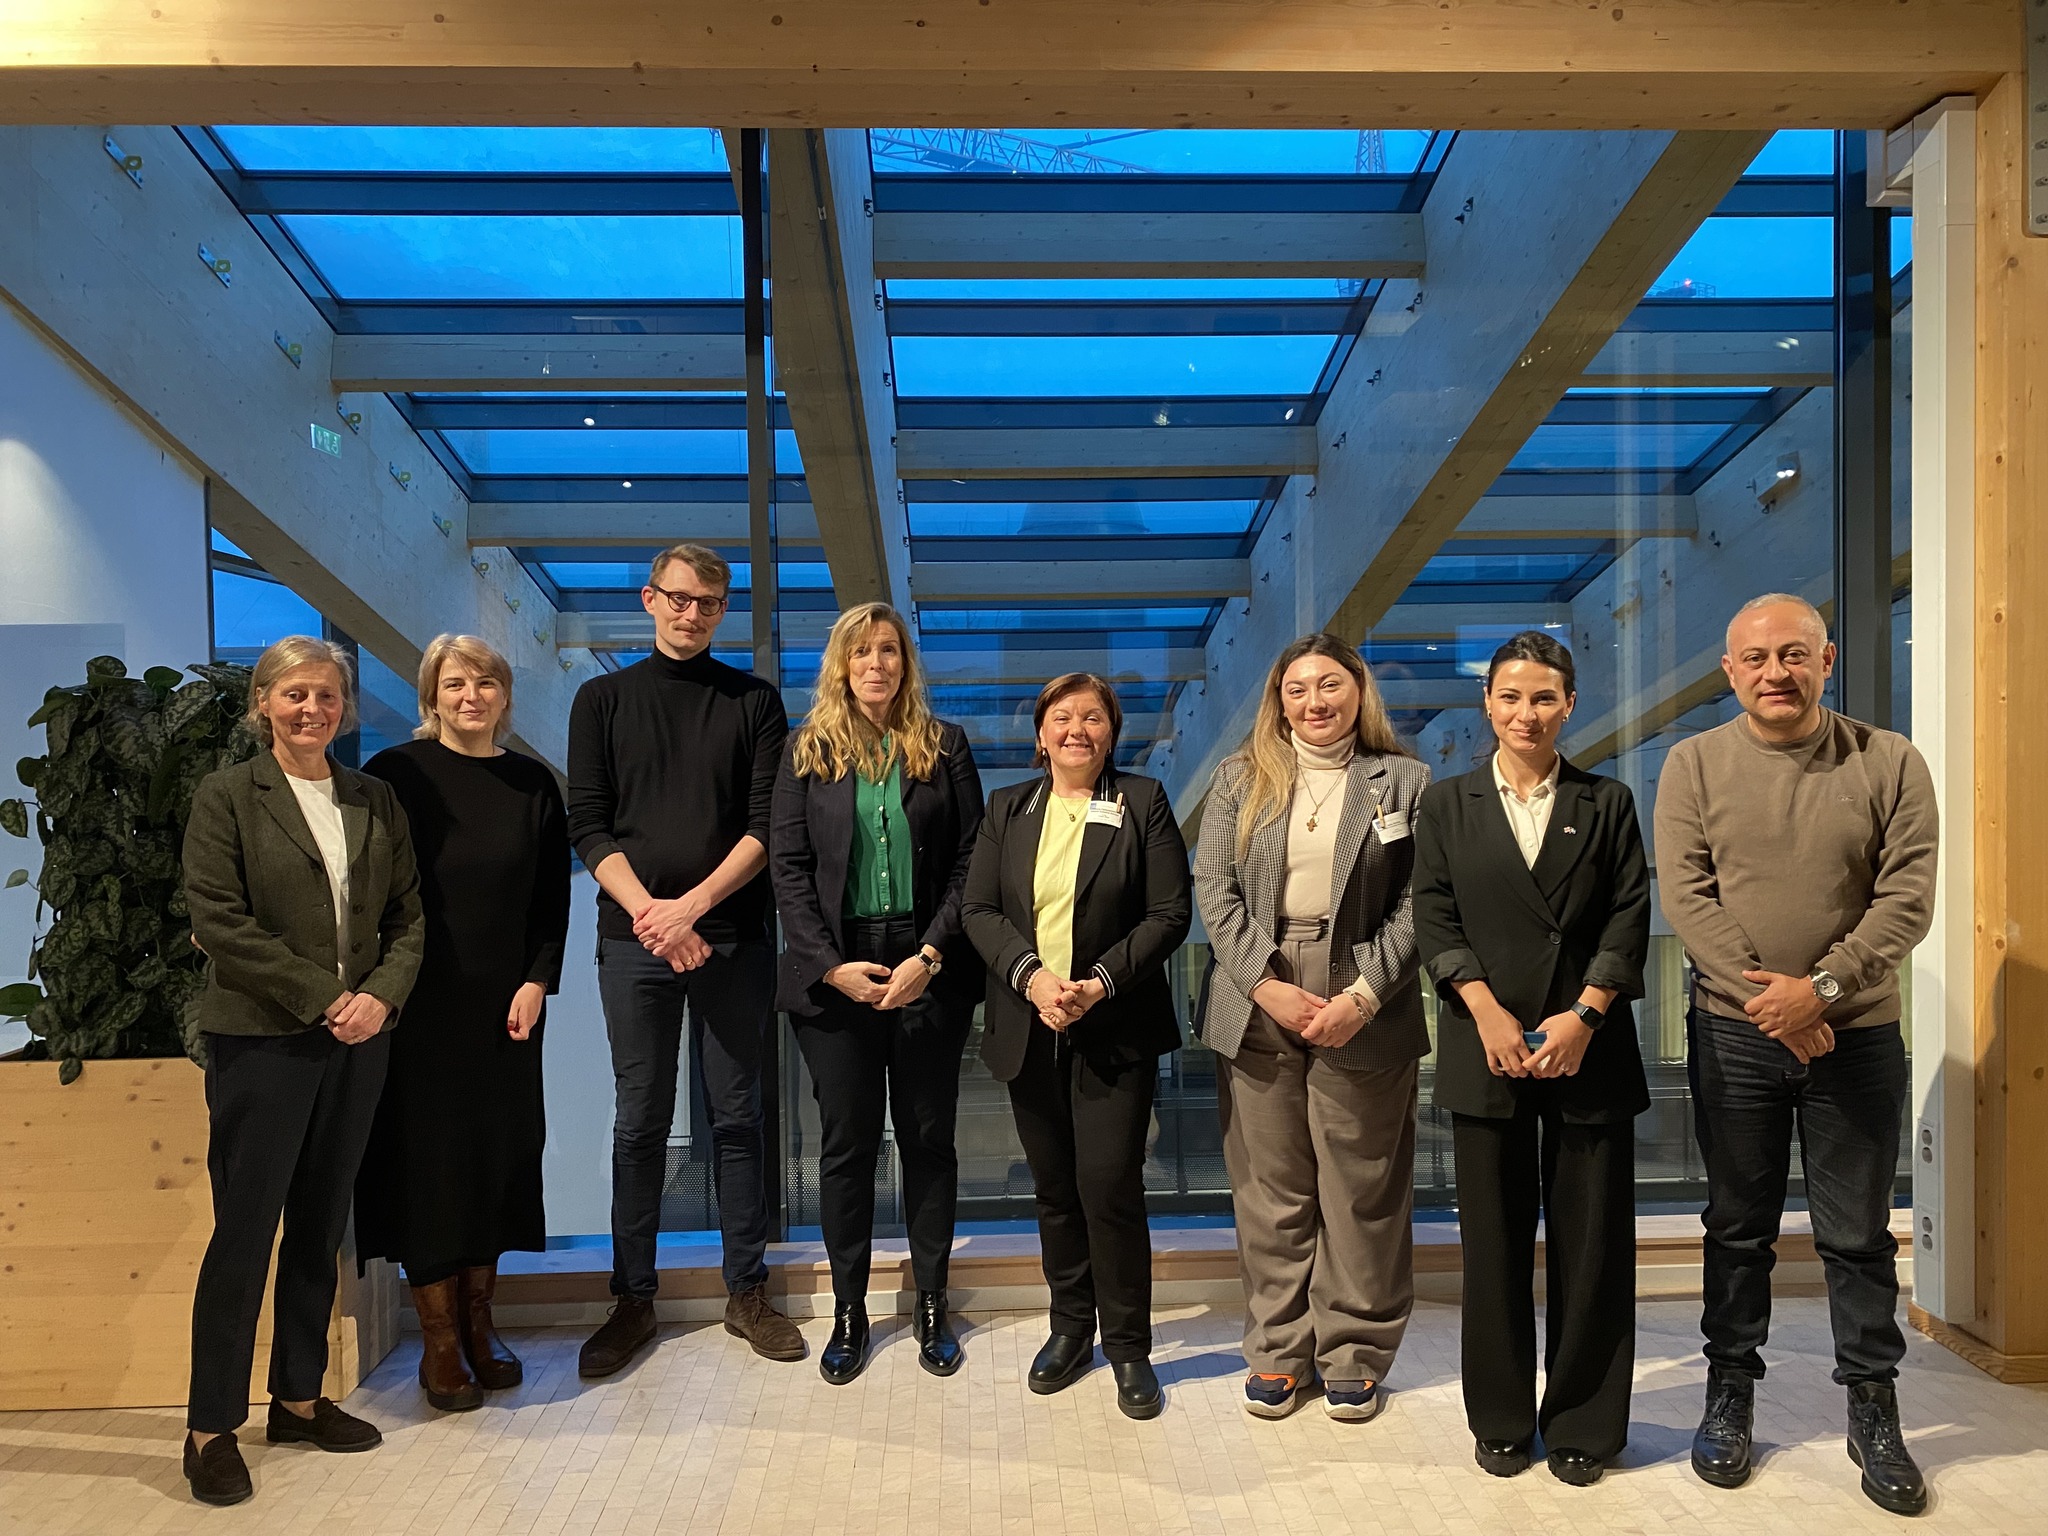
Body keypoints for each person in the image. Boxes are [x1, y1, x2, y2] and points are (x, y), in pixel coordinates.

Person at [1654, 593, 1937, 1517]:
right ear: (1730, 671)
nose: (1775, 671)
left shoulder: (1889, 760)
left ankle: (1873, 1409)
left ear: (1827, 660)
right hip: (1734, 1035)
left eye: (1793, 654)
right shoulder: (1693, 764)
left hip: (1856, 1036)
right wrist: (1775, 1006)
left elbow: (1907, 898)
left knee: (1857, 1235)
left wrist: (1820, 992)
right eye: (1756, 658)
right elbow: (1688, 898)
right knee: (1737, 1229)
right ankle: (1730, 1393)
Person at [178, 636, 425, 1507]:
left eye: (326, 696)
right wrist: (327, 997)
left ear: (343, 707)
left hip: (358, 1042)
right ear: (264, 704)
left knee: (320, 1226)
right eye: (295, 695)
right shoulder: (226, 797)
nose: (312, 709)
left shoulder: (373, 798)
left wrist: (380, 998)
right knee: (245, 1233)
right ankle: (210, 1428)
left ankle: (297, 1399)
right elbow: (220, 921)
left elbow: (408, 917)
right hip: (264, 1041)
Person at [1412, 630, 1650, 1487]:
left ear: (1569, 705)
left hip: (1590, 1045)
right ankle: (1503, 1418)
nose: (1526, 713)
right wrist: (1484, 1012)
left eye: (1544, 698)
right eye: (1510, 697)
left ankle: (1586, 1423)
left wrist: (1584, 1015)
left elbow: (1628, 915)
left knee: (1593, 1249)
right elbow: (1434, 916)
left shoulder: (1608, 801)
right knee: (1494, 1244)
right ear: (1488, 705)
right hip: (1488, 1045)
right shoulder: (1448, 805)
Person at [566, 543, 799, 1378]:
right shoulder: (600, 700)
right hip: (634, 941)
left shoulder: (755, 702)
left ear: (722, 610)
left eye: (707, 602)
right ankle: (633, 1299)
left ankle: (747, 1293)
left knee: (738, 1117)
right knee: (639, 1121)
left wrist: (689, 910)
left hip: (731, 938)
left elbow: (765, 826)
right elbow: (588, 824)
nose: (691, 613)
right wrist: (654, 918)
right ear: (649, 599)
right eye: (678, 597)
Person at [1192, 634, 1431, 1424]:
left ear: (1359, 691)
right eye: (1297, 689)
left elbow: (1420, 902)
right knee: (1271, 1190)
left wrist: (1362, 996)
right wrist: (1265, 984)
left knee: (1361, 1189)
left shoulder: (1405, 781)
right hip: (1259, 989)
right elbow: (1213, 889)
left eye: (1330, 684)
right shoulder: (1239, 779)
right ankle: (1279, 1349)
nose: (1314, 701)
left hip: (1364, 990)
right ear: (1279, 701)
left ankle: (1354, 1351)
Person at [961, 673, 1192, 1420]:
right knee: (1054, 1189)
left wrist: (1098, 984)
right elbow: (979, 909)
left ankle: (1128, 1346)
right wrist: (1032, 979)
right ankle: (1070, 1328)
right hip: (1029, 1023)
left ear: (1111, 732)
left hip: (1113, 1022)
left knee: (1110, 1187)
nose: (1077, 729)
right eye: (1062, 716)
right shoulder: (1007, 808)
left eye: (1093, 717)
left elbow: (1169, 913)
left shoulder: (1143, 802)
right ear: (1041, 733)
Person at [769, 603, 985, 1384]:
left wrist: (931, 955)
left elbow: (973, 860)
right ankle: (850, 1312)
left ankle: (931, 1306)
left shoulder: (945, 746)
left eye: (889, 650)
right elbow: (788, 869)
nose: (876, 664)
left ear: (905, 663)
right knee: (847, 1145)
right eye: (861, 652)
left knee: (928, 1139)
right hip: (836, 972)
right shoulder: (806, 750)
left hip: (928, 961)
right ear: (841, 664)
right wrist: (831, 967)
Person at [354, 634, 570, 1412]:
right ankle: (440, 1343)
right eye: (454, 683)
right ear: (430, 696)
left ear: (505, 695)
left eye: (485, 682)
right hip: (415, 1004)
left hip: (506, 1008)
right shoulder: (396, 774)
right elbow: (370, 891)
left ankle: (482, 1325)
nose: (470, 695)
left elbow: (552, 898)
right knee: (428, 1166)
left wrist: (538, 981)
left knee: (496, 1158)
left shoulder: (532, 783)